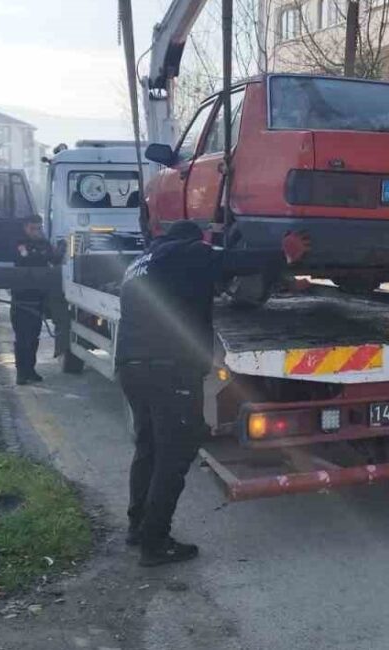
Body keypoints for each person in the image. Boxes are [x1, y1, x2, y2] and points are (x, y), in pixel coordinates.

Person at [116, 220, 310, 567]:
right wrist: (283, 253)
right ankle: (154, 542)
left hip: (132, 367)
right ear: (198, 239)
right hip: (170, 368)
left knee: (148, 446)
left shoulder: (141, 262)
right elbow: (233, 261)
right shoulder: (190, 252)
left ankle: (137, 526)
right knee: (175, 454)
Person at [11, 217, 61, 385]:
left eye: (39, 228)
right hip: (21, 298)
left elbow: (54, 259)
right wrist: (41, 255)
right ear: (26, 228)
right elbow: (25, 259)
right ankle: (21, 372)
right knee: (22, 338)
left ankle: (30, 370)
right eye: (33, 228)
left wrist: (60, 250)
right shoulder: (19, 242)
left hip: (38, 298)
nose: (37, 231)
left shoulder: (44, 244)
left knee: (34, 336)